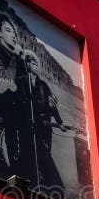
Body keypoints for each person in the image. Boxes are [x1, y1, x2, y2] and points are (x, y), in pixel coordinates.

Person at [0, 12, 38, 184]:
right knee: (15, 168)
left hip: (26, 121)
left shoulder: (20, 59)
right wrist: (16, 55)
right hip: (7, 119)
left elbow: (31, 89)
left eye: (14, 32)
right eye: (8, 30)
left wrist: (33, 69)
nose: (14, 35)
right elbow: (6, 79)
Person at [27, 54, 66, 191]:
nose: (35, 67)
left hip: (44, 125)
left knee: (46, 152)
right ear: (28, 65)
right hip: (30, 123)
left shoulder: (43, 85)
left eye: (37, 64)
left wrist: (60, 122)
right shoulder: (23, 82)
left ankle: (44, 179)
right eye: (33, 64)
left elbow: (52, 105)